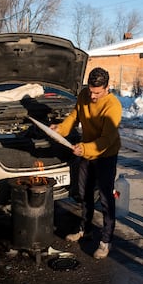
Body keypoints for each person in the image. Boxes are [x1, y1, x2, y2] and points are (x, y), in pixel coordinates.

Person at [50, 67, 122, 259]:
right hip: (87, 153)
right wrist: (61, 129)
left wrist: (85, 148)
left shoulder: (113, 106)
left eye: (97, 92)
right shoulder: (84, 95)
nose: (92, 96)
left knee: (106, 199)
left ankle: (106, 241)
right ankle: (85, 229)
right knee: (84, 194)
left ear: (107, 88)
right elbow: (74, 117)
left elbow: (107, 139)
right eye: (90, 91)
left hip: (105, 155)